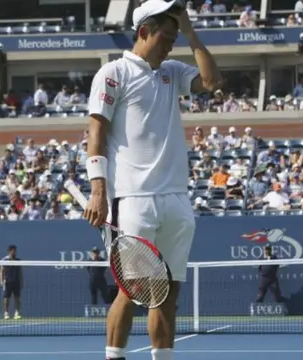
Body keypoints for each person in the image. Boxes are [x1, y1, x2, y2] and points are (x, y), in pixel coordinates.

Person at [82, 0, 222, 359]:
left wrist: (190, 32)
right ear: (143, 32)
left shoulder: (173, 72)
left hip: (176, 199)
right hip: (133, 199)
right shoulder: (113, 73)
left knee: (168, 295)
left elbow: (212, 81)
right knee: (133, 289)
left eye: (175, 37)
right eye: (166, 36)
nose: (170, 43)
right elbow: (96, 132)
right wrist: (98, 190)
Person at [0, 245, 23, 320]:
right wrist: (1, 280)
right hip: (7, 282)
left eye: (16, 251)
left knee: (17, 298)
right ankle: (6, 313)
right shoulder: (5, 260)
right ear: (10, 251)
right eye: (14, 251)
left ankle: (17, 313)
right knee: (6, 298)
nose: (15, 252)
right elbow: (2, 271)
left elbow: (20, 272)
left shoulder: (18, 260)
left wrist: (21, 281)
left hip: (16, 281)